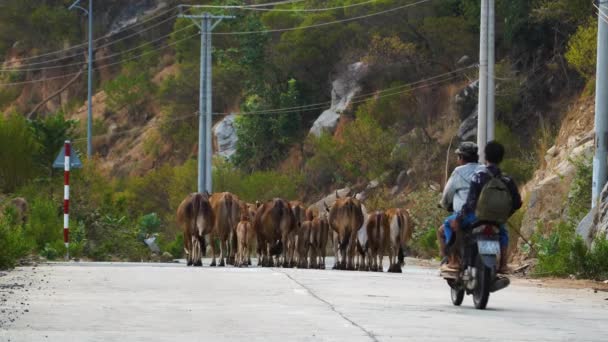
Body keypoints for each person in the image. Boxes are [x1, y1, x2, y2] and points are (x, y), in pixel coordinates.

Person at [450, 141, 523, 274]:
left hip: (476, 217)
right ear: (501, 158)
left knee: (456, 227)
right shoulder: (507, 179)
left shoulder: (479, 176)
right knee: (503, 233)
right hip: (497, 220)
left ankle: (455, 261)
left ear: (485, 157)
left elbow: (470, 202)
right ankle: (503, 265)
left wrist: (459, 218)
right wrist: (503, 216)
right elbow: (517, 203)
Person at [437, 142, 481, 268]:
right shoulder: (484, 169)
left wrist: (444, 204)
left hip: (466, 216)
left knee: (445, 227)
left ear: (462, 158)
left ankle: (453, 259)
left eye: (458, 157)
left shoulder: (459, 172)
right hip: (485, 214)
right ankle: (501, 263)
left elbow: (447, 194)